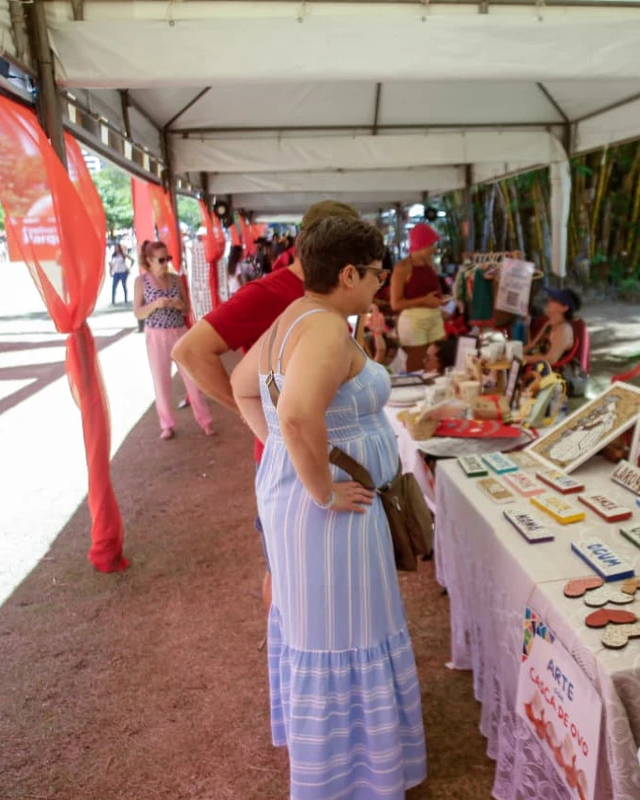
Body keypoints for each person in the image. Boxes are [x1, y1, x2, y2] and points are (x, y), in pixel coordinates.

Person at [228, 215, 426, 797]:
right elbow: (292, 415)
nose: (379, 282)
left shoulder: (293, 318)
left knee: (321, 627)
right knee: (346, 628)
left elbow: (245, 388)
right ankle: (353, 778)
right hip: (331, 513)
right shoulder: (323, 328)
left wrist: (285, 463)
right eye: (374, 273)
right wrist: (320, 487)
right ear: (347, 273)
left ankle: (343, 766)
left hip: (308, 503)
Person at [172, 200, 361, 611]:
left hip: (322, 451)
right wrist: (253, 420)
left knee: (316, 577)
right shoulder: (270, 292)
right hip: (290, 458)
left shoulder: (322, 293)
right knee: (288, 573)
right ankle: (289, 657)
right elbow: (190, 351)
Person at [133, 241, 213, 440]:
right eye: (161, 260)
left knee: (192, 378)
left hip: (179, 331)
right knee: (161, 381)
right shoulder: (141, 282)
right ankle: (166, 424)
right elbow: (138, 312)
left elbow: (187, 308)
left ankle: (205, 421)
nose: (165, 263)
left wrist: (179, 304)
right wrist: (155, 305)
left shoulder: (176, 280)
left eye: (168, 259)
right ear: (149, 261)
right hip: (156, 334)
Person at [390, 223, 446, 371]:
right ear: (422, 244)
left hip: (434, 318)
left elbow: (435, 290)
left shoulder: (430, 264)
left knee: (440, 360)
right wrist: (424, 301)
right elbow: (395, 304)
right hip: (413, 321)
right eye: (431, 244)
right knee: (417, 365)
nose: (434, 249)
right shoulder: (402, 267)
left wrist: (441, 300)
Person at [525, 287, 579, 365]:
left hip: (551, 373)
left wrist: (523, 358)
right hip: (536, 367)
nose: (548, 301)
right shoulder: (549, 324)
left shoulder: (564, 329)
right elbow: (532, 346)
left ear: (564, 308)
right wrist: (511, 355)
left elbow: (551, 359)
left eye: (553, 300)